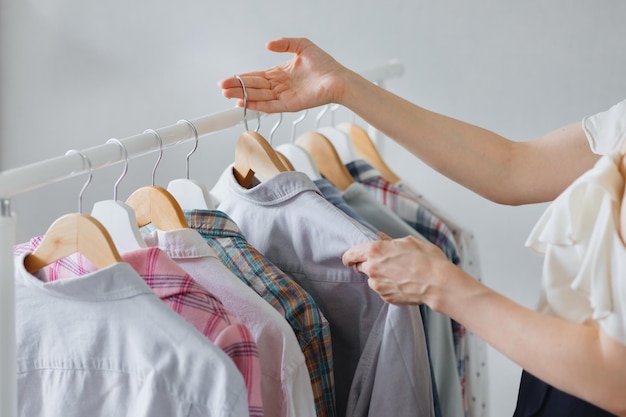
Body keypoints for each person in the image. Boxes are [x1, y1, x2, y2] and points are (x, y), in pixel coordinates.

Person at [219, 37, 626, 416]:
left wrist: (442, 285)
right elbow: (512, 167)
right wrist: (342, 87)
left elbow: (617, 380)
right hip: (554, 378)